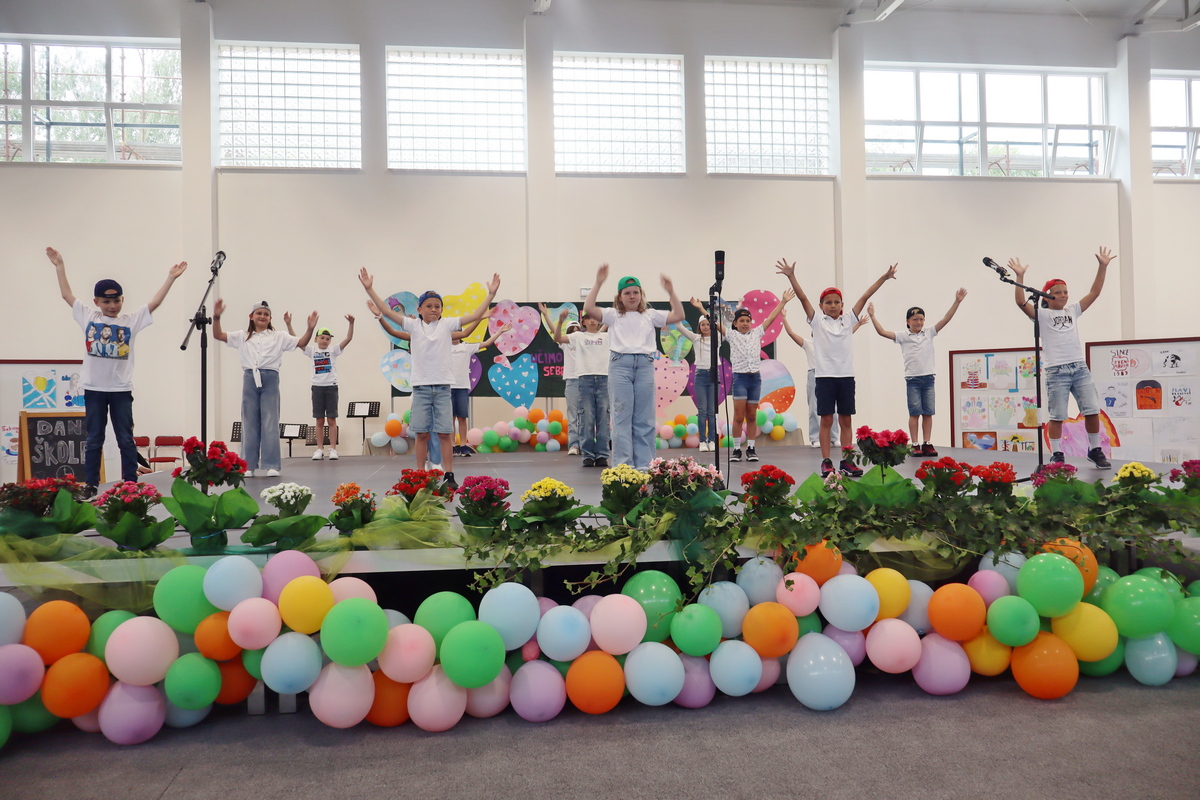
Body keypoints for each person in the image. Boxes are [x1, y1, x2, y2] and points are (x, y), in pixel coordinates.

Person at [45, 246, 187, 497]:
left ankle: (130, 482)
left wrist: (171, 278)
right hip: (94, 389)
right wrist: (59, 266)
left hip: (121, 389)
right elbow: (66, 294)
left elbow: (154, 303)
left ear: (122, 300)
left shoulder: (130, 320)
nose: (112, 306)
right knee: (94, 439)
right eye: (107, 301)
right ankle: (91, 484)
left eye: (117, 300)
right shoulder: (88, 316)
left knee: (125, 439)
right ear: (97, 302)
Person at [361, 269, 500, 490]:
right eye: (429, 306)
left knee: (445, 432)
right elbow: (387, 312)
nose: (433, 309)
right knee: (422, 433)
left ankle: (449, 473)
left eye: (437, 306)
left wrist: (491, 294)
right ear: (419, 310)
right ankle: (419, 473)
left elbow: (474, 316)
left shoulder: (447, 326)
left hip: (443, 388)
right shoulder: (413, 326)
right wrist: (369, 288)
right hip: (421, 388)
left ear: (442, 310)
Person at [777, 258, 897, 478]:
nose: (832, 305)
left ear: (842, 305)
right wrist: (791, 276)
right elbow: (803, 298)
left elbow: (865, 295)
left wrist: (884, 277)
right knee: (826, 420)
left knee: (846, 420)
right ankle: (826, 462)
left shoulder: (849, 319)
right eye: (828, 302)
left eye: (836, 302)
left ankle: (846, 461)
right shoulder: (817, 322)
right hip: (824, 377)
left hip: (846, 377)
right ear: (821, 306)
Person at [1009, 247, 1116, 469]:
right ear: (1047, 296)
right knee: (1057, 414)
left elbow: (1094, 292)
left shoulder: (1073, 310)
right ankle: (1057, 453)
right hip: (1056, 370)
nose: (1064, 295)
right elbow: (1020, 302)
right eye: (1058, 292)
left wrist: (1102, 267)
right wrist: (1020, 277)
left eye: (1066, 292)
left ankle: (1095, 449)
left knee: (1092, 410)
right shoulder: (1042, 314)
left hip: (1079, 367)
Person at [584, 265, 683, 471]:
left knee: (644, 419)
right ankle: (624, 467)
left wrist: (671, 291)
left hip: (645, 365)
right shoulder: (613, 315)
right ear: (619, 297)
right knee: (621, 417)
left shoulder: (650, 315)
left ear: (641, 295)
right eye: (627, 293)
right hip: (620, 365)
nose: (632, 296)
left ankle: (645, 467)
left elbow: (679, 315)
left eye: (635, 292)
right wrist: (599, 282)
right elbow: (589, 308)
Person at [213, 300, 317, 478]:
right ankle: (248, 465)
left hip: (270, 378)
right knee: (249, 422)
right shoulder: (242, 336)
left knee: (270, 421)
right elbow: (218, 335)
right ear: (251, 316)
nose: (262, 316)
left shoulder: (279, 336)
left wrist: (310, 328)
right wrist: (216, 317)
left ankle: (271, 464)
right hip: (249, 378)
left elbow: (301, 342)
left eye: (266, 314)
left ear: (270, 318)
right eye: (259, 313)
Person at [867, 289, 967, 457]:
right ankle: (915, 443)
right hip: (912, 379)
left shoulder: (929, 332)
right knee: (914, 413)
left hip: (928, 378)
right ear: (908, 321)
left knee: (928, 412)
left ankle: (927, 442)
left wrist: (957, 301)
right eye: (915, 319)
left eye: (921, 319)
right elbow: (882, 332)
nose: (919, 322)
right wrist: (872, 316)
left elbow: (946, 319)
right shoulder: (903, 336)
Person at [709, 290, 794, 462]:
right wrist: (701, 309)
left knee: (752, 415)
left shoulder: (757, 333)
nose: (745, 323)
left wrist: (783, 301)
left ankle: (751, 448)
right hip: (740, 379)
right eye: (742, 321)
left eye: (748, 321)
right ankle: (736, 449)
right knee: (738, 416)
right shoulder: (731, 335)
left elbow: (771, 317)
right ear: (735, 323)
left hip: (755, 380)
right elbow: (715, 323)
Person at [288, 316, 354, 461]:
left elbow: (348, 338)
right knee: (319, 420)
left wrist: (351, 323)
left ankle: (333, 449)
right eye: (322, 338)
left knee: (331, 419)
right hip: (317, 388)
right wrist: (289, 324)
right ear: (316, 339)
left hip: (331, 388)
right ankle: (319, 449)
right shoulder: (312, 351)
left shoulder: (333, 350)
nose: (325, 341)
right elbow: (296, 340)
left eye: (327, 339)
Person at [553, 307, 610, 467]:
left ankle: (602, 455)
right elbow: (557, 338)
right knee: (586, 418)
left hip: (604, 379)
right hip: (584, 379)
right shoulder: (578, 336)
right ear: (583, 322)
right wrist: (560, 322)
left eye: (595, 318)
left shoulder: (606, 336)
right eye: (588, 318)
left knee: (603, 418)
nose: (592, 320)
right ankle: (588, 455)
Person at [675, 298, 720, 451]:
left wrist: (703, 310)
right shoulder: (696, 338)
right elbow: (679, 327)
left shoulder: (717, 338)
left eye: (708, 324)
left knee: (711, 411)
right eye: (703, 324)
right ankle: (703, 441)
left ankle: (712, 440)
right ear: (699, 327)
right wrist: (677, 310)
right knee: (702, 410)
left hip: (714, 375)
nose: (706, 326)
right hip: (700, 376)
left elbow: (717, 323)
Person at [539, 304, 582, 455]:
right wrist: (546, 315)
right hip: (572, 381)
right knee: (573, 414)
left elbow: (600, 332)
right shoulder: (565, 343)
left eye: (577, 330)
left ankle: (586, 445)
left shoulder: (585, 342)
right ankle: (574, 445)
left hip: (587, 381)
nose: (575, 333)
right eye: (572, 330)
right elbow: (554, 331)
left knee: (587, 415)